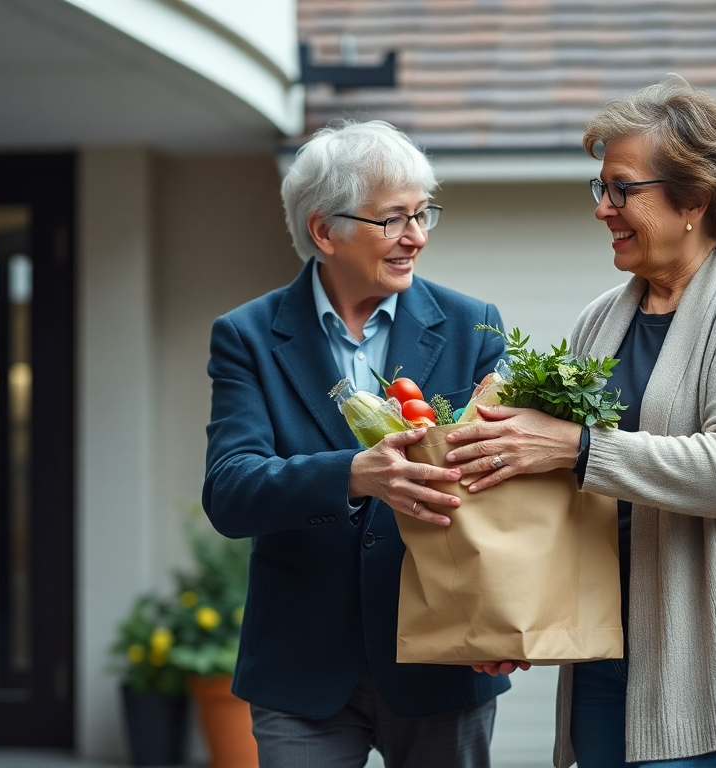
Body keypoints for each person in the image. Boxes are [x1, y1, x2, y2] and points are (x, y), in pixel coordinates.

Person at [443, 75, 716, 767]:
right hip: (603, 649)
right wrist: (518, 614)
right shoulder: (603, 317)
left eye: (622, 189)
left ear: (694, 200)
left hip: (715, 658)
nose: (603, 209)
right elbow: (566, 490)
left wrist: (576, 445)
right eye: (600, 189)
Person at [202, 119, 511, 768]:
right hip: (300, 667)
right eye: (395, 219)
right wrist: (353, 474)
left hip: (445, 654)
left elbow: (501, 487)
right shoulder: (248, 336)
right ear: (324, 230)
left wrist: (502, 612)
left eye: (425, 214)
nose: (417, 236)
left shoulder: (474, 325)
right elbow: (230, 491)